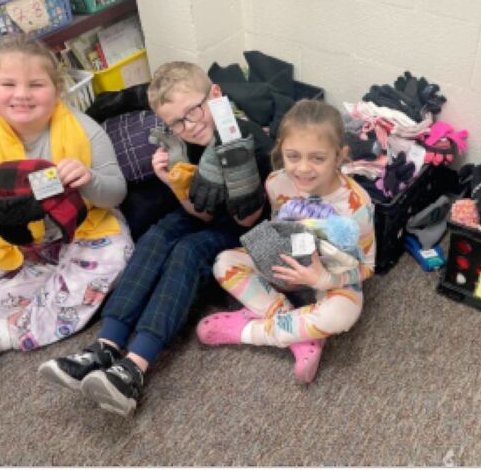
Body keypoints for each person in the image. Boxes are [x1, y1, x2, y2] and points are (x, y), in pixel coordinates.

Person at [38, 61, 273, 416]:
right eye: (175, 122)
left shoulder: (248, 138)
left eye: (193, 111)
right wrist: (173, 183)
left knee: (187, 250)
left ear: (216, 95)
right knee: (158, 234)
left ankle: (134, 367)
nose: (189, 127)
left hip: (245, 229)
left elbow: (248, 220)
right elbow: (201, 213)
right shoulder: (185, 141)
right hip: (210, 216)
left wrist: (239, 183)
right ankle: (105, 344)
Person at [0, 35, 133, 379]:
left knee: (118, 253)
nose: (22, 94)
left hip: (83, 228)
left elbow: (115, 195)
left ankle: (5, 332)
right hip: (18, 243)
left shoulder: (83, 129)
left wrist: (89, 178)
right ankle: (65, 292)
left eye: (36, 84)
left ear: (57, 89)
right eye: (8, 84)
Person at [196, 100, 376, 383]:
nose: (303, 169)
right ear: (280, 150)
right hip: (284, 266)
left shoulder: (357, 206)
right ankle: (301, 336)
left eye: (318, 158)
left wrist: (322, 279)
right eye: (293, 156)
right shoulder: (275, 183)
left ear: (340, 156)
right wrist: (271, 258)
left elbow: (366, 267)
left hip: (331, 275)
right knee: (224, 263)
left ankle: (250, 332)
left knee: (343, 314)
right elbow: (276, 229)